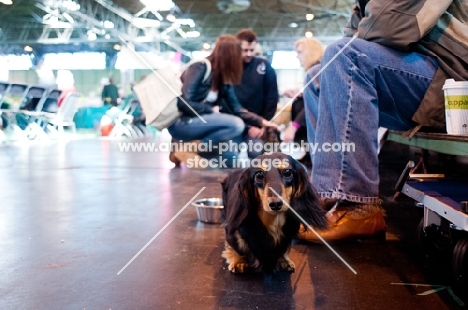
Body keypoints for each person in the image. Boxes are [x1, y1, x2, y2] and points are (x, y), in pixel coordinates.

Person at [297, 0, 468, 243]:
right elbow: (363, 33)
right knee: (316, 76)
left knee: (345, 56)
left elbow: (390, 26)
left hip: (453, 81)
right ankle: (327, 191)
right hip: (415, 75)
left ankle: (358, 206)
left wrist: (361, 37)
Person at [167, 34, 275, 168]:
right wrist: (211, 110)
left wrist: (261, 121)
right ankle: (189, 148)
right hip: (183, 123)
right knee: (236, 124)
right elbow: (184, 102)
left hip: (204, 124)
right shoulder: (200, 67)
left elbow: (237, 109)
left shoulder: (223, 77)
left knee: (231, 160)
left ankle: (190, 150)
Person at [233, 29, 279, 158]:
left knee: (256, 153)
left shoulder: (264, 66)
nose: (249, 54)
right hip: (234, 121)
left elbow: (272, 98)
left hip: (257, 124)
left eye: (252, 50)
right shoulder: (230, 68)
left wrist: (262, 124)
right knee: (228, 156)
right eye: (245, 50)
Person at [282, 37, 324, 144]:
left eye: (300, 52)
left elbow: (314, 103)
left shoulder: (316, 71)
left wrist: (293, 127)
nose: (297, 56)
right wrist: (302, 94)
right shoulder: (318, 70)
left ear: (310, 52)